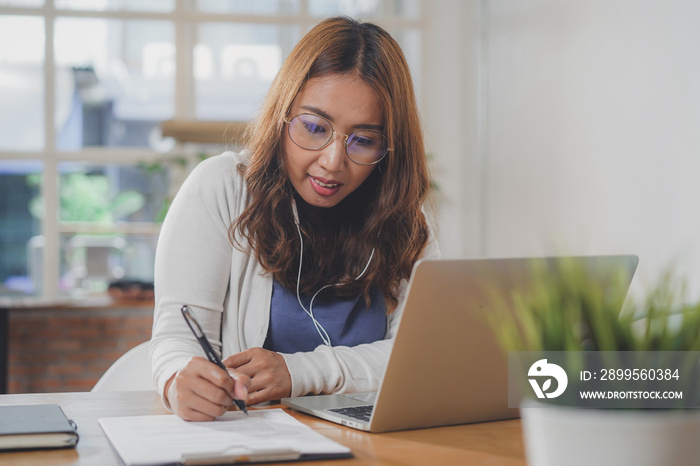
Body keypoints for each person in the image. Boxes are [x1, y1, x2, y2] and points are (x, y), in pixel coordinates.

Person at [150, 16, 440, 421]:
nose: (333, 161)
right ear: (282, 114)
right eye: (315, 127)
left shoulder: (404, 218)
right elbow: (177, 341)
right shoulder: (221, 188)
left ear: (389, 147)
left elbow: (419, 356)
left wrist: (298, 371)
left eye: (364, 140)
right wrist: (177, 380)